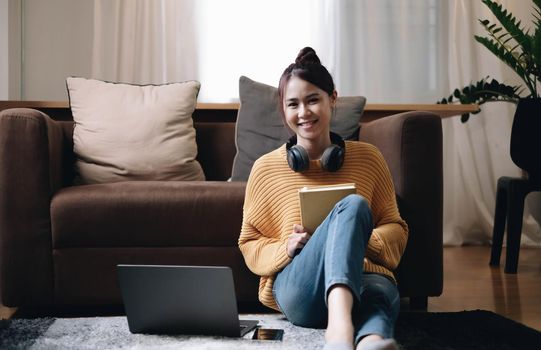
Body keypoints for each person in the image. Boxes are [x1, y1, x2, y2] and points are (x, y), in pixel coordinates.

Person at [238, 47, 408, 350]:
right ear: (284, 110)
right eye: (293, 104)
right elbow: (249, 242)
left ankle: (371, 342)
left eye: (313, 99)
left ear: (333, 98)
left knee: (378, 295)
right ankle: (339, 332)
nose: (303, 112)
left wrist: (356, 234)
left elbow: (395, 226)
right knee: (354, 204)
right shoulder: (265, 169)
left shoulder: (368, 158)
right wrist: (286, 248)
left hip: (364, 277)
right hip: (300, 288)